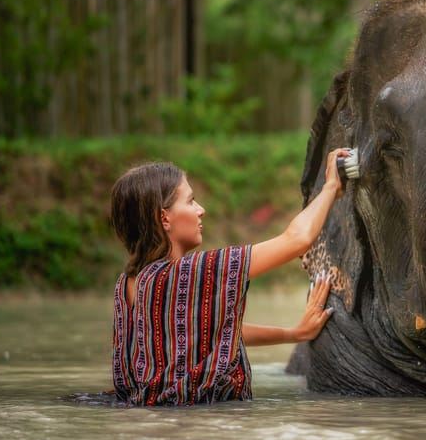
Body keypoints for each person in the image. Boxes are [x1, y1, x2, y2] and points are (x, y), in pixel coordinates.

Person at [109, 148, 350, 406]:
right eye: (190, 201)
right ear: (164, 217)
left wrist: (293, 333)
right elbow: (296, 240)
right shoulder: (189, 272)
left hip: (158, 424)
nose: (200, 210)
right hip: (196, 425)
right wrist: (330, 188)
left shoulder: (128, 284)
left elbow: (213, 332)